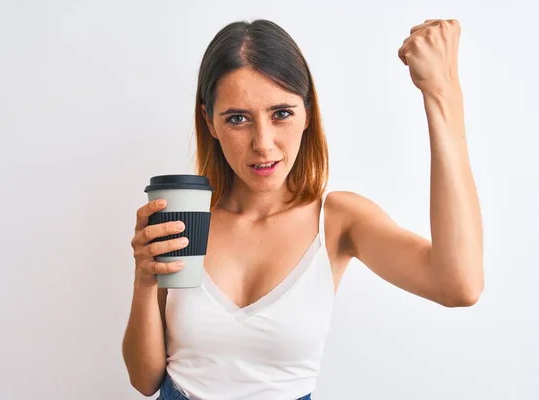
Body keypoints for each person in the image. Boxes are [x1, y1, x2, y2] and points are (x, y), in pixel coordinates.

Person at [122, 18, 484, 400]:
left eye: (281, 113)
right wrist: (144, 280)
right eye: (238, 119)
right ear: (209, 121)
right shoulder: (187, 219)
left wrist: (443, 94)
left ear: (307, 113)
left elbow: (458, 286)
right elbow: (144, 380)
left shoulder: (339, 221)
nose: (263, 143)